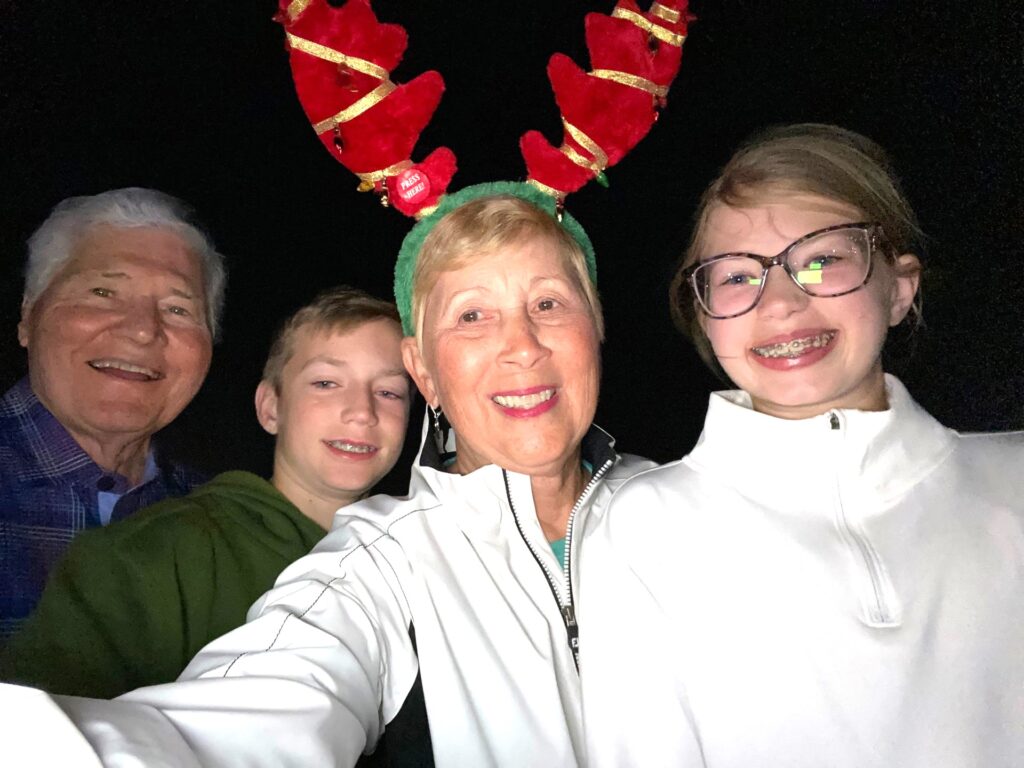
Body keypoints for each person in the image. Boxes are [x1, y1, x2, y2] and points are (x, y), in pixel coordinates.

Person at [36, 183, 655, 767]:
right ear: (427, 371)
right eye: (472, 315)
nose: (522, 344)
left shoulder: (695, 514)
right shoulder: (375, 564)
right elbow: (241, 719)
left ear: (596, 326)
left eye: (548, 303)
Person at [577, 124, 1024, 767]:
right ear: (703, 317)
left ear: (899, 288)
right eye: (735, 277)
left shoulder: (1009, 482)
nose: (782, 303)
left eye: (822, 260)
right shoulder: (646, 527)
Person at [0, 286, 411, 698]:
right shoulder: (142, 559)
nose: (362, 411)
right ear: (271, 408)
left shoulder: (415, 557)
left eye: (389, 392)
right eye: (326, 382)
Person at [0, 188, 226, 641]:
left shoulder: (220, 523)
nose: (143, 329)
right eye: (103, 292)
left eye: (178, 309)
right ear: (28, 315)